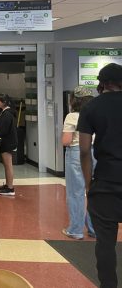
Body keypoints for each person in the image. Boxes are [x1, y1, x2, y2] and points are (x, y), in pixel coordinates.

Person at [78, 63, 122, 288]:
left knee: (105, 243)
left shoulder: (91, 108)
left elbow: (84, 150)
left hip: (105, 183)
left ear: (102, 83)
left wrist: (88, 184)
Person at [61, 85, 95, 240]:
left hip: (76, 153)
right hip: (96, 153)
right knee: (93, 191)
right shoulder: (97, 114)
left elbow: (66, 141)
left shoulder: (72, 116)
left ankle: (75, 229)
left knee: (76, 192)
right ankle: (94, 229)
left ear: (74, 100)